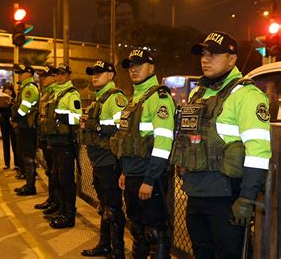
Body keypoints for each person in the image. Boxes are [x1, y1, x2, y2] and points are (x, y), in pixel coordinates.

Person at [171, 31, 272, 258]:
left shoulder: (246, 94)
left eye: (214, 54)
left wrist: (247, 197)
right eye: (203, 54)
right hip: (195, 193)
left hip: (227, 197)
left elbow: (259, 150)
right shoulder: (199, 93)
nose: (205, 59)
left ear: (232, 59)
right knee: (202, 252)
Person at [111, 48, 175, 258]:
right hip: (132, 175)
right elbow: (129, 140)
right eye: (130, 66)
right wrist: (125, 172)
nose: (134, 70)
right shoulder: (135, 98)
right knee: (137, 227)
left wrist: (150, 179)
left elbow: (164, 142)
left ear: (152, 67)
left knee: (155, 232)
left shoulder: (159, 97)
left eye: (139, 64)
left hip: (150, 178)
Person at [80, 61, 128, 258]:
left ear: (111, 75)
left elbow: (121, 128)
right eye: (93, 73)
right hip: (99, 159)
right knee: (105, 205)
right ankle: (105, 244)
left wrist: (95, 126)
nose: (95, 76)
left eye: (99, 73)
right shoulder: (99, 98)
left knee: (113, 206)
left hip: (109, 159)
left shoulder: (116, 98)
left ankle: (117, 250)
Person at [44, 63, 82, 229]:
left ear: (68, 75)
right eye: (57, 74)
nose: (59, 76)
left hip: (66, 142)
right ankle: (61, 209)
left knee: (66, 180)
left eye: (62, 74)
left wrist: (62, 116)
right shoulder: (55, 93)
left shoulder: (72, 94)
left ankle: (69, 215)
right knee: (58, 177)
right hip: (55, 141)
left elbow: (78, 117)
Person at [11, 64, 40, 196]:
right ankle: (28, 184)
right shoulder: (25, 87)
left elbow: (23, 109)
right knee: (25, 155)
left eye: (21, 73)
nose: (19, 75)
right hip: (25, 126)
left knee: (28, 157)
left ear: (29, 74)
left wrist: (15, 119)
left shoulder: (30, 88)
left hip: (28, 127)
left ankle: (30, 186)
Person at [33, 66, 59, 211]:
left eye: (45, 76)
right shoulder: (46, 92)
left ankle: (55, 201)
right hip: (44, 136)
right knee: (50, 170)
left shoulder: (54, 93)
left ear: (54, 77)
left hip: (52, 138)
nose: (43, 79)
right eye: (41, 76)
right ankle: (52, 199)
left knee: (54, 172)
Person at [0, 82, 18, 170]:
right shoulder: (2, 99)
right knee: (5, 143)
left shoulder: (15, 100)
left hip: (12, 123)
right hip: (4, 123)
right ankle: (7, 163)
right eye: (6, 91)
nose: (8, 93)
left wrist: (11, 103)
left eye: (9, 91)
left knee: (15, 143)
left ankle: (17, 163)